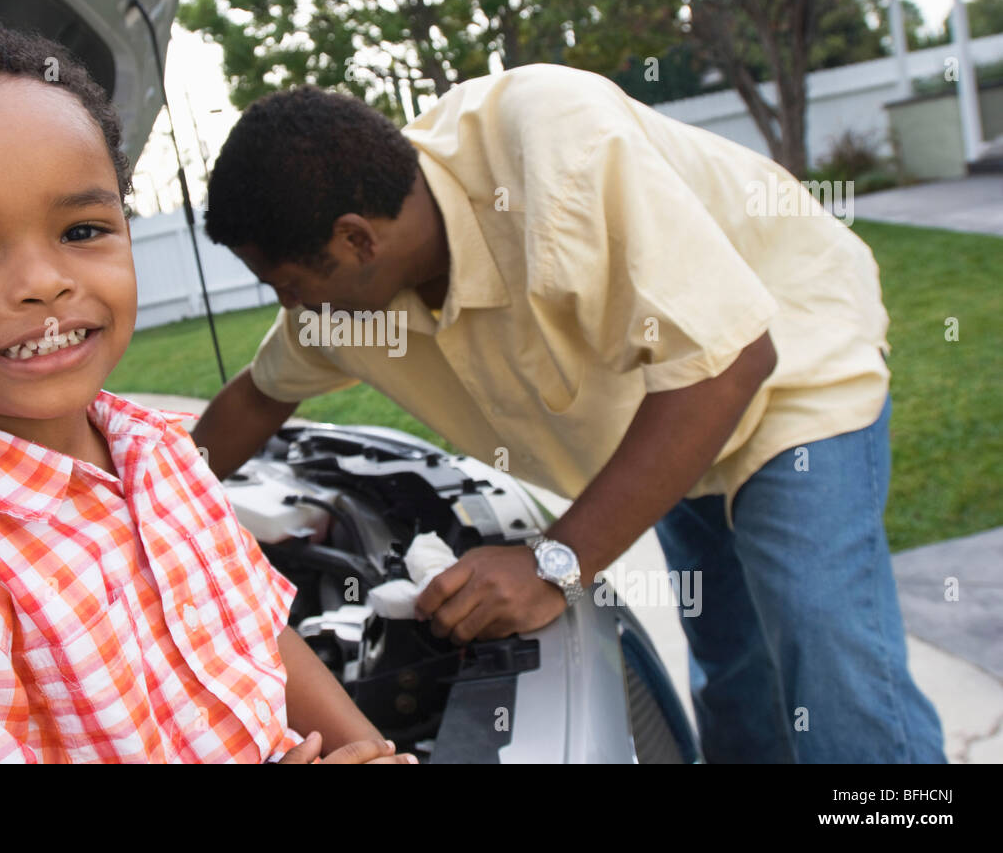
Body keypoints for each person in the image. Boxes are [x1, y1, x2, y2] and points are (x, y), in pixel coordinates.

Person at [191, 65, 947, 763]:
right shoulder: (348, 306)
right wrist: (154, 510)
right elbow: (259, 395)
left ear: (357, 239)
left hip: (788, 374)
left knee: (828, 662)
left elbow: (731, 362)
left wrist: (555, 562)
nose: (291, 308)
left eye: (289, 284)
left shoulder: (555, 149)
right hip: (663, 419)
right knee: (736, 680)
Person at [0, 14, 413, 764]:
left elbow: (259, 637)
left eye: (82, 230)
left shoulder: (159, 450)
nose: (44, 283)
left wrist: (372, 749)